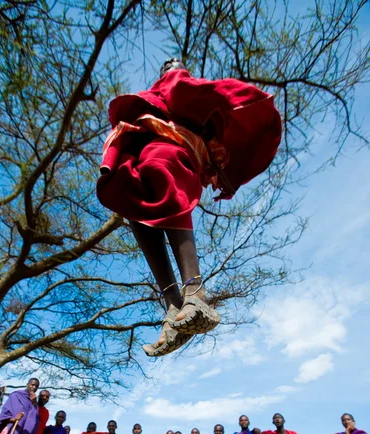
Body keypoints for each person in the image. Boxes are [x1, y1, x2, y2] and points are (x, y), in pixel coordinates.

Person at [96, 58, 282, 357]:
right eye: (167, 65)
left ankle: (195, 290)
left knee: (163, 165)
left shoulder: (183, 85)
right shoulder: (155, 93)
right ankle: (172, 305)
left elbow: (198, 96)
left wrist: (177, 77)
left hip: (180, 140)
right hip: (147, 135)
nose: (170, 67)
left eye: (174, 64)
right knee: (126, 188)